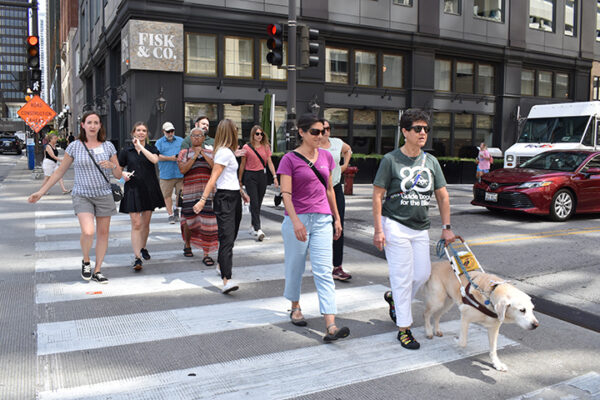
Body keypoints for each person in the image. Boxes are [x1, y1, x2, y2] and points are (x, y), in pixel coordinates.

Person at [372, 108, 456, 350]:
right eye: (417, 129)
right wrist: (379, 230)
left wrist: (447, 227)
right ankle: (404, 329)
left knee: (421, 274)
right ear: (404, 132)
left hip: (420, 228)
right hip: (395, 225)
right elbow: (377, 196)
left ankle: (395, 301)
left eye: (425, 129)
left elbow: (442, 196)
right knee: (401, 277)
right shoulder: (391, 160)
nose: (422, 133)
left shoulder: (431, 161)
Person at [277, 113, 349, 342]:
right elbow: (285, 194)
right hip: (298, 219)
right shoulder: (289, 159)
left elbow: (329, 189)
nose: (320, 135)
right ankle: (295, 306)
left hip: (322, 220)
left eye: (323, 131)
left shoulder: (327, 156)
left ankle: (331, 324)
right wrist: (296, 220)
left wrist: (337, 218)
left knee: (324, 271)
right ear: (301, 132)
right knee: (295, 267)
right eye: (315, 132)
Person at [28, 110, 123, 284]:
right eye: (89, 122)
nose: (93, 126)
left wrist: (112, 165)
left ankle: (98, 270)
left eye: (96, 123)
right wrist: (41, 192)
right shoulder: (75, 146)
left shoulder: (108, 146)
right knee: (88, 231)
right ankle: (86, 261)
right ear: (83, 125)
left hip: (104, 194)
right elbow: (59, 171)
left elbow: (118, 174)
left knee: (103, 233)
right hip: (82, 195)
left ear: (100, 125)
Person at [193, 119, 250, 294]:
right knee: (226, 239)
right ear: (229, 131)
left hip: (233, 195)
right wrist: (203, 200)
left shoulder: (228, 152)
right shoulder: (224, 153)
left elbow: (230, 177)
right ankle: (227, 279)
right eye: (235, 129)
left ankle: (220, 264)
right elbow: (214, 178)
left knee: (231, 237)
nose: (237, 131)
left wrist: (241, 192)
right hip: (224, 198)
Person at [118, 122, 165, 271]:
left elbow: (154, 160)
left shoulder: (152, 148)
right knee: (136, 224)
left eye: (144, 130)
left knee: (145, 224)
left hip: (149, 189)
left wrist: (141, 147)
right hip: (132, 189)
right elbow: (118, 172)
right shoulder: (126, 151)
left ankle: (143, 247)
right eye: (138, 130)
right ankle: (137, 257)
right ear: (133, 133)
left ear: (147, 133)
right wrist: (122, 176)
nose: (141, 133)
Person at [178, 127, 218, 264]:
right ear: (190, 138)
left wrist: (203, 154)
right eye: (194, 136)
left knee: (207, 222)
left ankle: (206, 253)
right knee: (189, 220)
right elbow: (183, 169)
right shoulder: (184, 152)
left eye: (199, 136)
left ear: (203, 138)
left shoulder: (210, 152)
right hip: (190, 191)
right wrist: (194, 156)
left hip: (208, 192)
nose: (196, 138)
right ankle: (188, 244)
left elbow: (215, 168)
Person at [319, 118, 352, 281]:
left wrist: (344, 165)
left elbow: (348, 150)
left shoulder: (337, 143)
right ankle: (322, 263)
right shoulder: (314, 145)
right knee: (320, 227)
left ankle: (337, 266)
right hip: (318, 190)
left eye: (328, 129)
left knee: (338, 225)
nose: (325, 132)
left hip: (336, 187)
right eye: (322, 129)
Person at [238, 125, 279, 242]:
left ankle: (252, 225)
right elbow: (242, 164)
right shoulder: (247, 147)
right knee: (254, 202)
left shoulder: (266, 147)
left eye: (261, 134)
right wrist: (239, 180)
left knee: (258, 203)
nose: (259, 136)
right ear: (253, 135)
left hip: (262, 176)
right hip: (250, 176)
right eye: (257, 134)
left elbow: (270, 163)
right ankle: (258, 229)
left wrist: (275, 177)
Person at [155, 121, 184, 224]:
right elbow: (156, 156)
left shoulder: (181, 140)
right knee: (167, 196)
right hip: (166, 174)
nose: (170, 133)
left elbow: (186, 153)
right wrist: (170, 158)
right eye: (168, 132)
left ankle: (176, 210)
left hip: (180, 173)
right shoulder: (159, 142)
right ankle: (170, 215)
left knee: (179, 195)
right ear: (163, 131)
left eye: (172, 131)